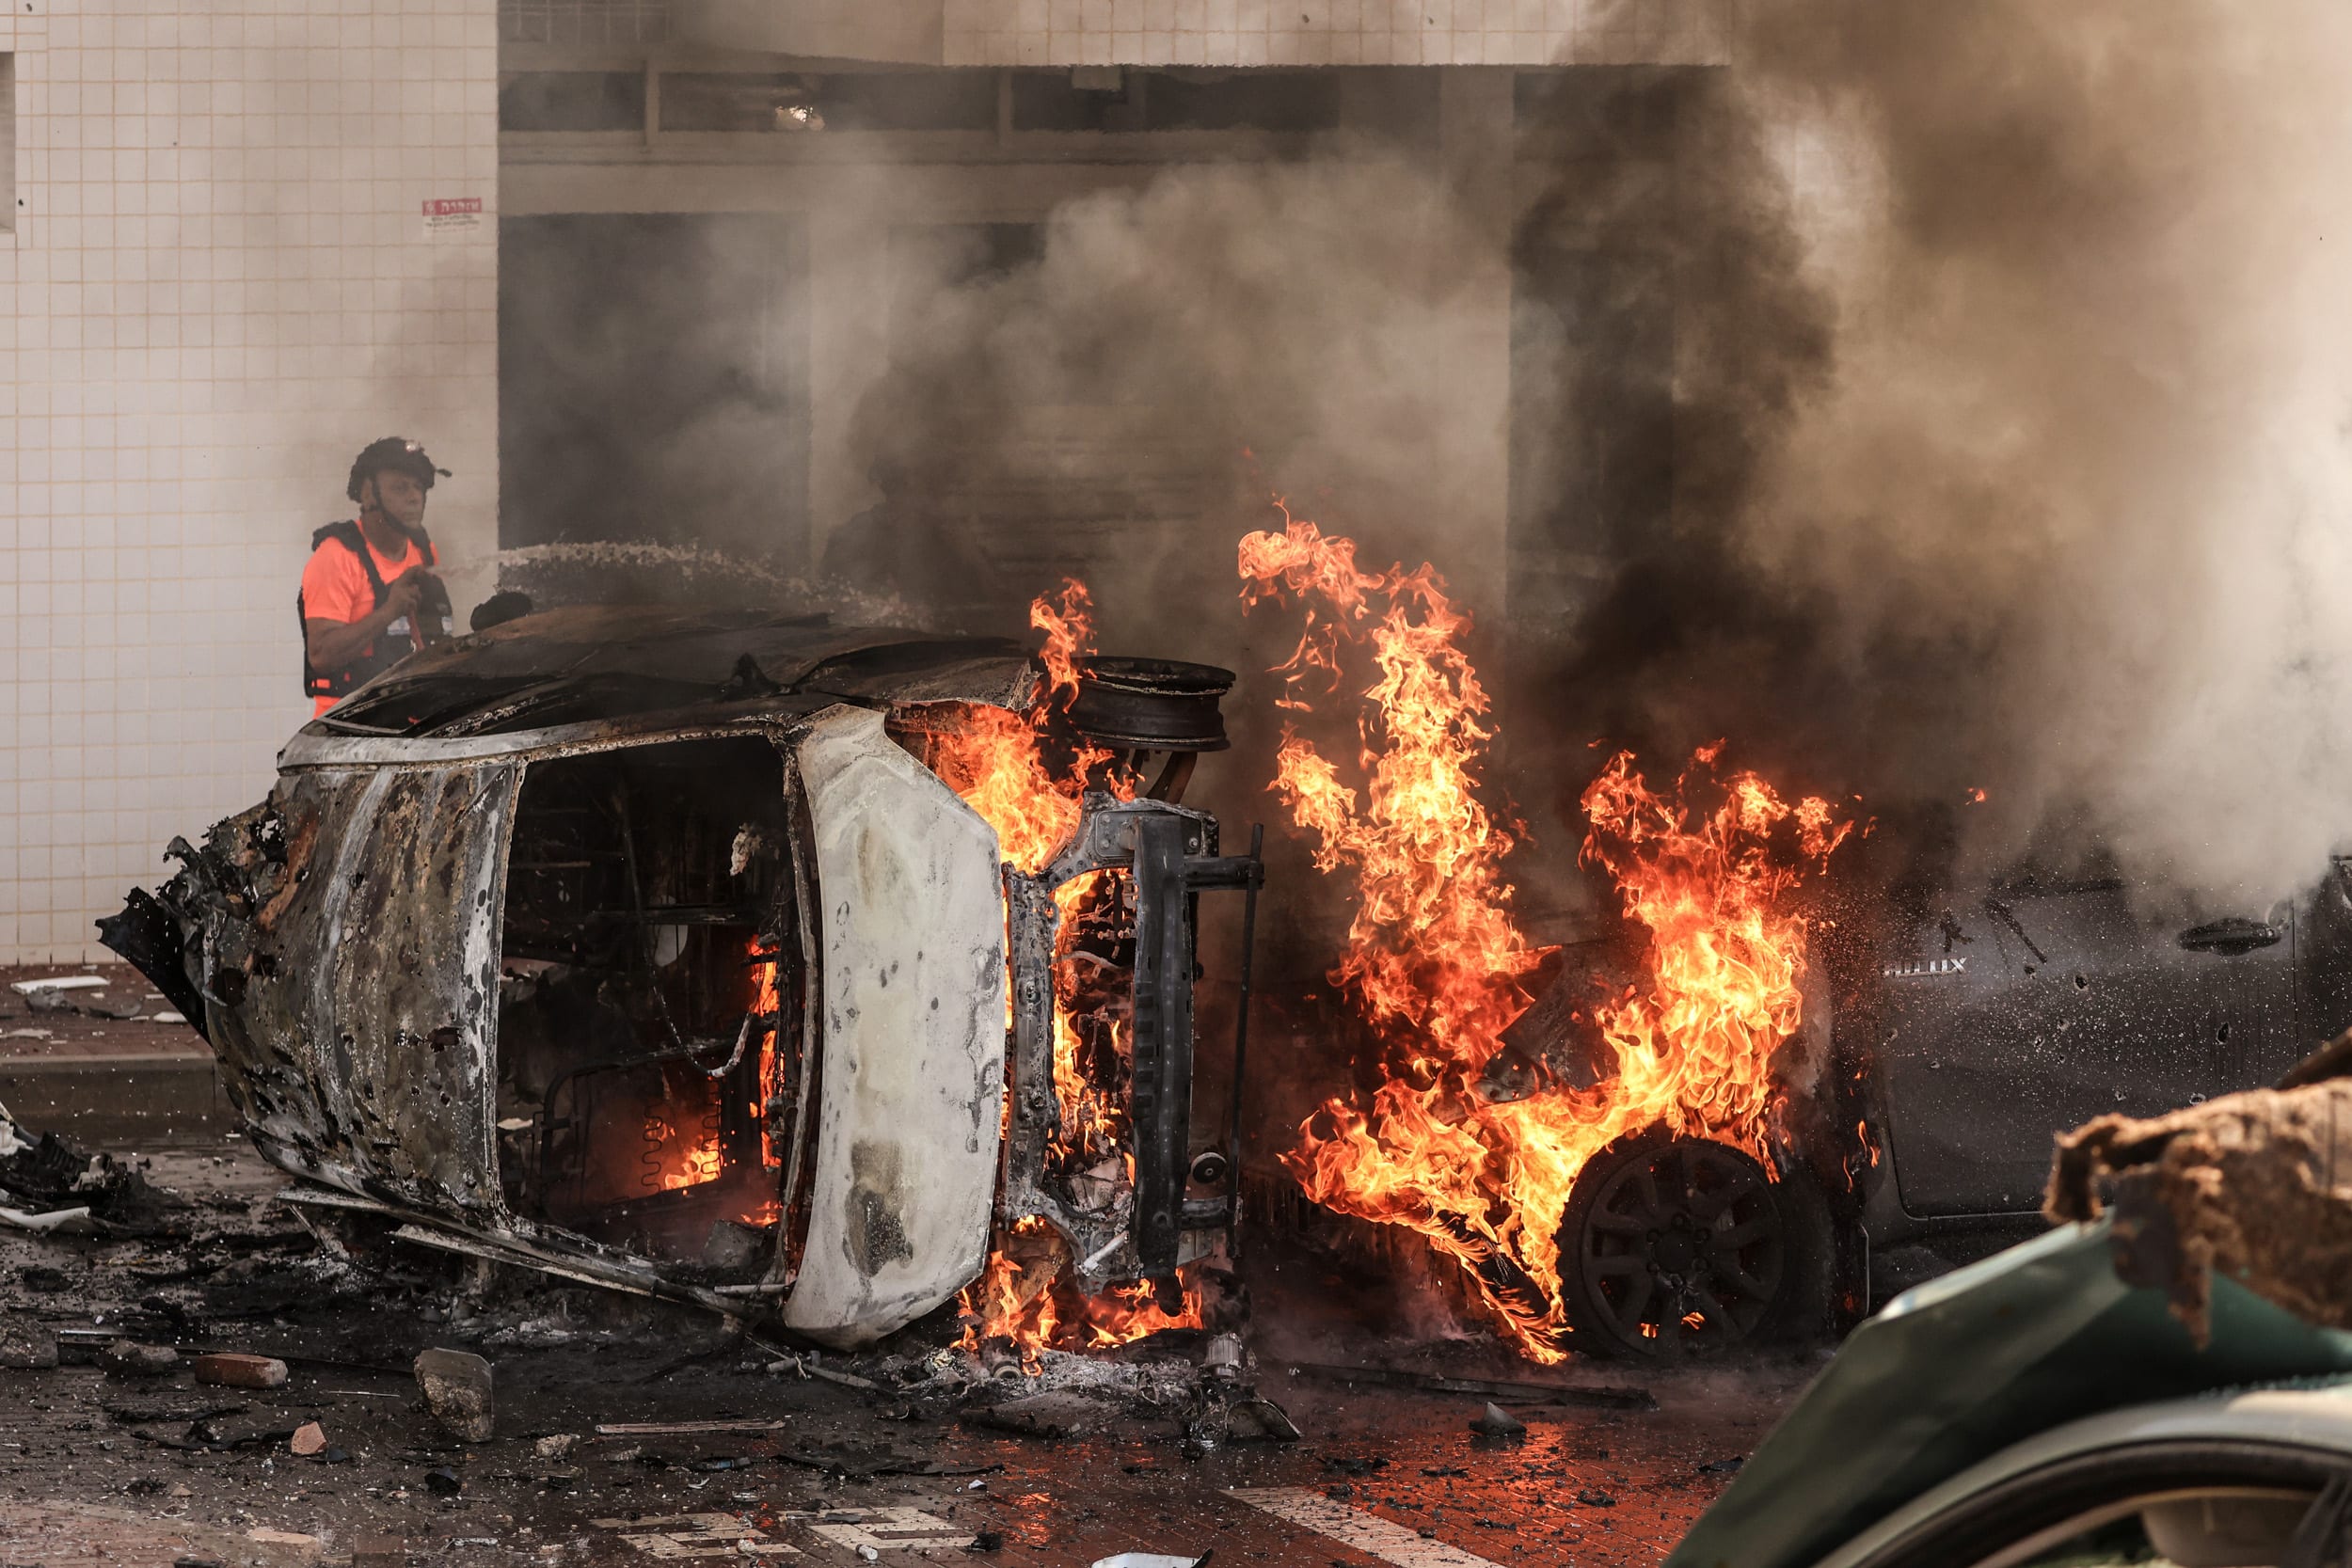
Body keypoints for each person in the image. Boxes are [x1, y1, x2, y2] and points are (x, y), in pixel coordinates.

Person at [298, 437, 454, 716]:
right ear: (369, 494)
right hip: (349, 725)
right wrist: (389, 611)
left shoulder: (424, 551)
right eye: (400, 487)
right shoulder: (336, 556)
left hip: (410, 722)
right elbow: (320, 655)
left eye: (418, 487)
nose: (414, 497)